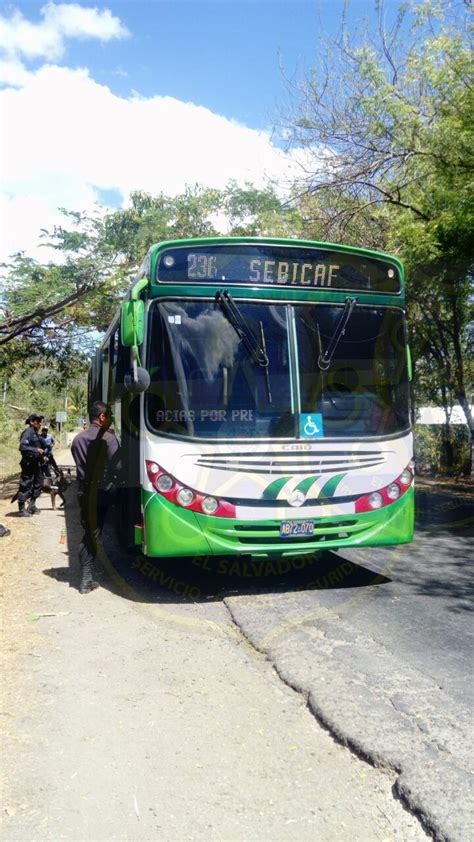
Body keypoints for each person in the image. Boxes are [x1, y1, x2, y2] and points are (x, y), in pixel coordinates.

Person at [71, 401, 121, 594]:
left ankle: (86, 578)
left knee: (90, 531)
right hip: (103, 493)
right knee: (95, 532)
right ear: (102, 417)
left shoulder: (77, 439)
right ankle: (87, 577)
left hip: (84, 492)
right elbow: (118, 467)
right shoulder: (108, 439)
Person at [15, 413, 45, 516]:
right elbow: (22, 447)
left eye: (40, 421)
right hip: (28, 463)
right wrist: (36, 450)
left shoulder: (35, 433)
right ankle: (21, 509)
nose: (40, 423)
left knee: (39, 482)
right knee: (26, 484)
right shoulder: (28, 432)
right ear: (32, 422)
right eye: (37, 421)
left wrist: (42, 455)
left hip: (36, 463)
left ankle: (32, 505)